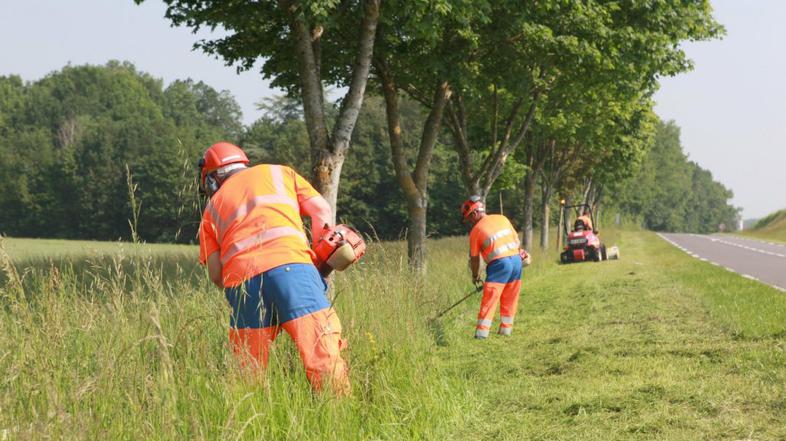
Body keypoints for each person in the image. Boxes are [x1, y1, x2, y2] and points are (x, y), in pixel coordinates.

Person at [197, 141, 349, 395]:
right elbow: (321, 209)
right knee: (321, 354)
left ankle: (249, 420)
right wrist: (319, 262)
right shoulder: (279, 173)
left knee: (248, 370)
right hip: (293, 270)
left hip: (242, 284)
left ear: (212, 180)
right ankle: (340, 417)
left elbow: (216, 274)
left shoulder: (210, 211)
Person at [461, 195, 523, 339]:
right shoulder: (502, 218)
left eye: (469, 218)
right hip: (516, 261)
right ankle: (506, 330)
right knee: (510, 297)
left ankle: (481, 334)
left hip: (500, 264)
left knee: (490, 298)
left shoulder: (476, 231)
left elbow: (475, 259)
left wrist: (475, 275)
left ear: (475, 213)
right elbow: (516, 240)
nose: (470, 222)